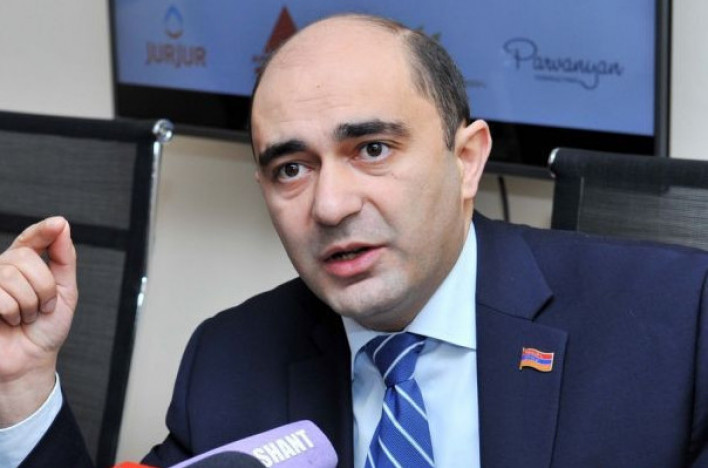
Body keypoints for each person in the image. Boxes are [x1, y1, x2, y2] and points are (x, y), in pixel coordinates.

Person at [1, 13, 707, 468]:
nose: (331, 206)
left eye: (372, 149)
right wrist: (23, 390)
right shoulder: (230, 359)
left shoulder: (678, 322)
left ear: (466, 160)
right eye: (291, 168)